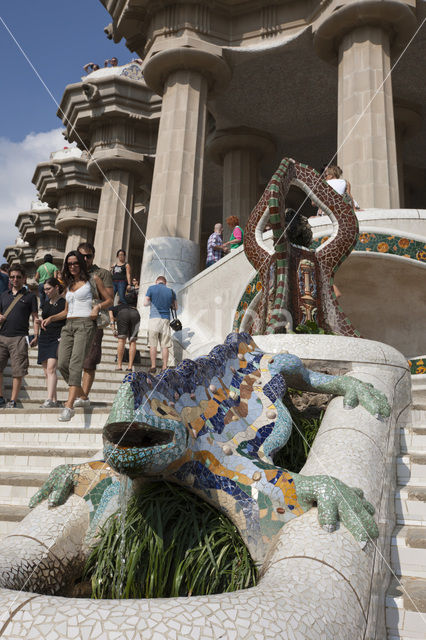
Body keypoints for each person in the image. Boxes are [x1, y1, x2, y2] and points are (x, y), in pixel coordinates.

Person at [42, 251, 111, 422]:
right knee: (63, 363)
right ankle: (83, 397)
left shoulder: (94, 279)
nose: (72, 266)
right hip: (69, 326)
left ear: (81, 263)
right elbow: (66, 311)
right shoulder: (69, 284)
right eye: (69, 263)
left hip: (85, 325)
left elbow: (109, 300)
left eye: (75, 263)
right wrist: (52, 317)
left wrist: (97, 308)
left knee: (75, 364)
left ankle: (69, 406)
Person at [76, 242, 114, 407]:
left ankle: (83, 397)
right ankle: (78, 394)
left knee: (89, 360)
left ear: (93, 256)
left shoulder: (102, 273)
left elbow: (110, 299)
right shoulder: (73, 273)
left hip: (93, 321)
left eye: (88, 256)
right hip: (74, 321)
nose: (85, 259)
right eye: (81, 256)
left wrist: (96, 303)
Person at [0, 264, 38, 408]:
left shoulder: (30, 297)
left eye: (18, 277)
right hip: (2, 336)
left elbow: (35, 317)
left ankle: (13, 400)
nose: (15, 279)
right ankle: (0, 397)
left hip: (19, 338)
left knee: (17, 371)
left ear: (24, 279)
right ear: (9, 279)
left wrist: (36, 334)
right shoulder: (3, 295)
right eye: (12, 277)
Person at [36, 277, 66, 408]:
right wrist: (39, 322)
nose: (46, 292)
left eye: (48, 289)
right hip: (45, 337)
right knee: (46, 370)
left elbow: (66, 317)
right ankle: (54, 399)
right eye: (44, 290)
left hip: (57, 337)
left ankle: (48, 399)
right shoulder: (45, 303)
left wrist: (51, 319)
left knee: (51, 368)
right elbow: (43, 318)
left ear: (56, 287)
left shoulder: (64, 302)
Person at [144, 276, 177, 373]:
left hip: (154, 319)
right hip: (165, 319)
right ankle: (164, 366)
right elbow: (175, 307)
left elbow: (145, 303)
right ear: (165, 283)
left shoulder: (151, 288)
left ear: (156, 281)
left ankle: (153, 366)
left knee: (153, 344)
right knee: (165, 345)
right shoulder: (171, 291)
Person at [109, 290, 140, 371]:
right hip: (135, 313)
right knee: (132, 341)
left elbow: (111, 318)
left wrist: (113, 330)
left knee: (121, 341)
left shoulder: (114, 308)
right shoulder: (134, 307)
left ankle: (119, 366)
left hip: (123, 314)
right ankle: (130, 367)